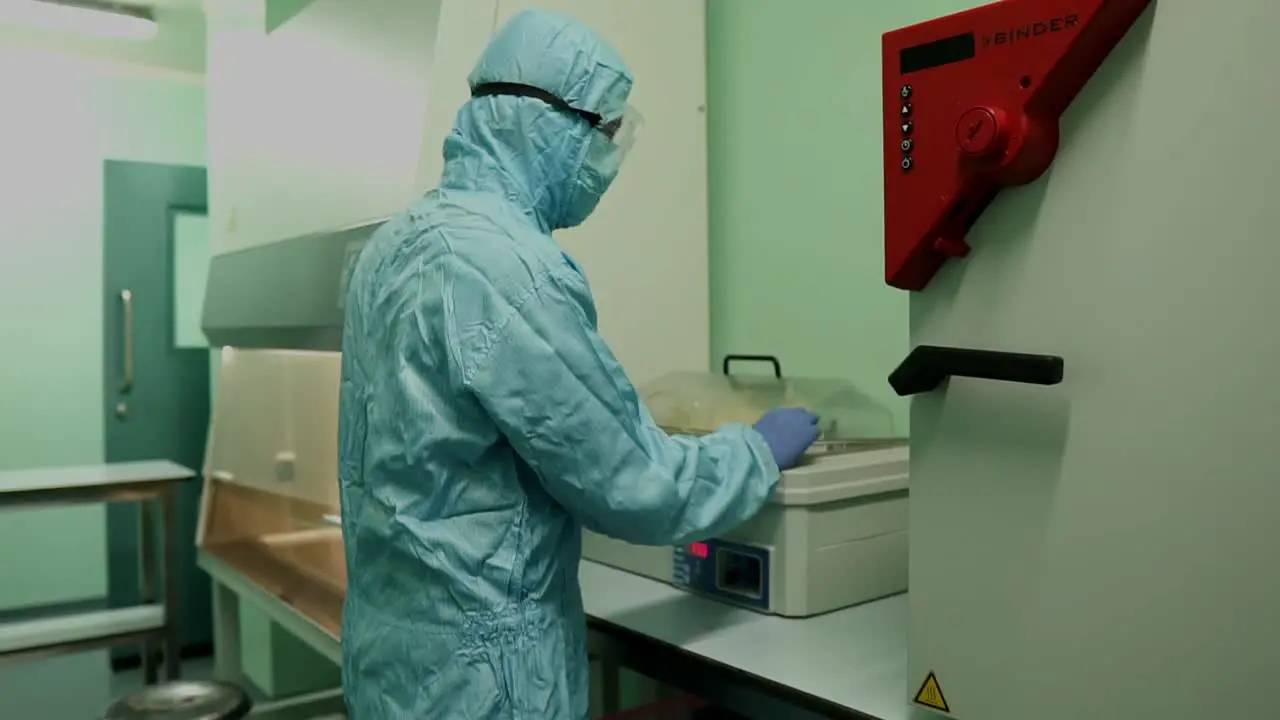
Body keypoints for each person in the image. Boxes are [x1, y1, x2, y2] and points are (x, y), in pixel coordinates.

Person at [336, 9, 820, 719]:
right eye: (607, 134)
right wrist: (754, 451)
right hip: (483, 684)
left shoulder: (388, 248)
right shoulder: (511, 272)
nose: (609, 163)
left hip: (389, 662)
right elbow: (636, 483)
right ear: (549, 125)